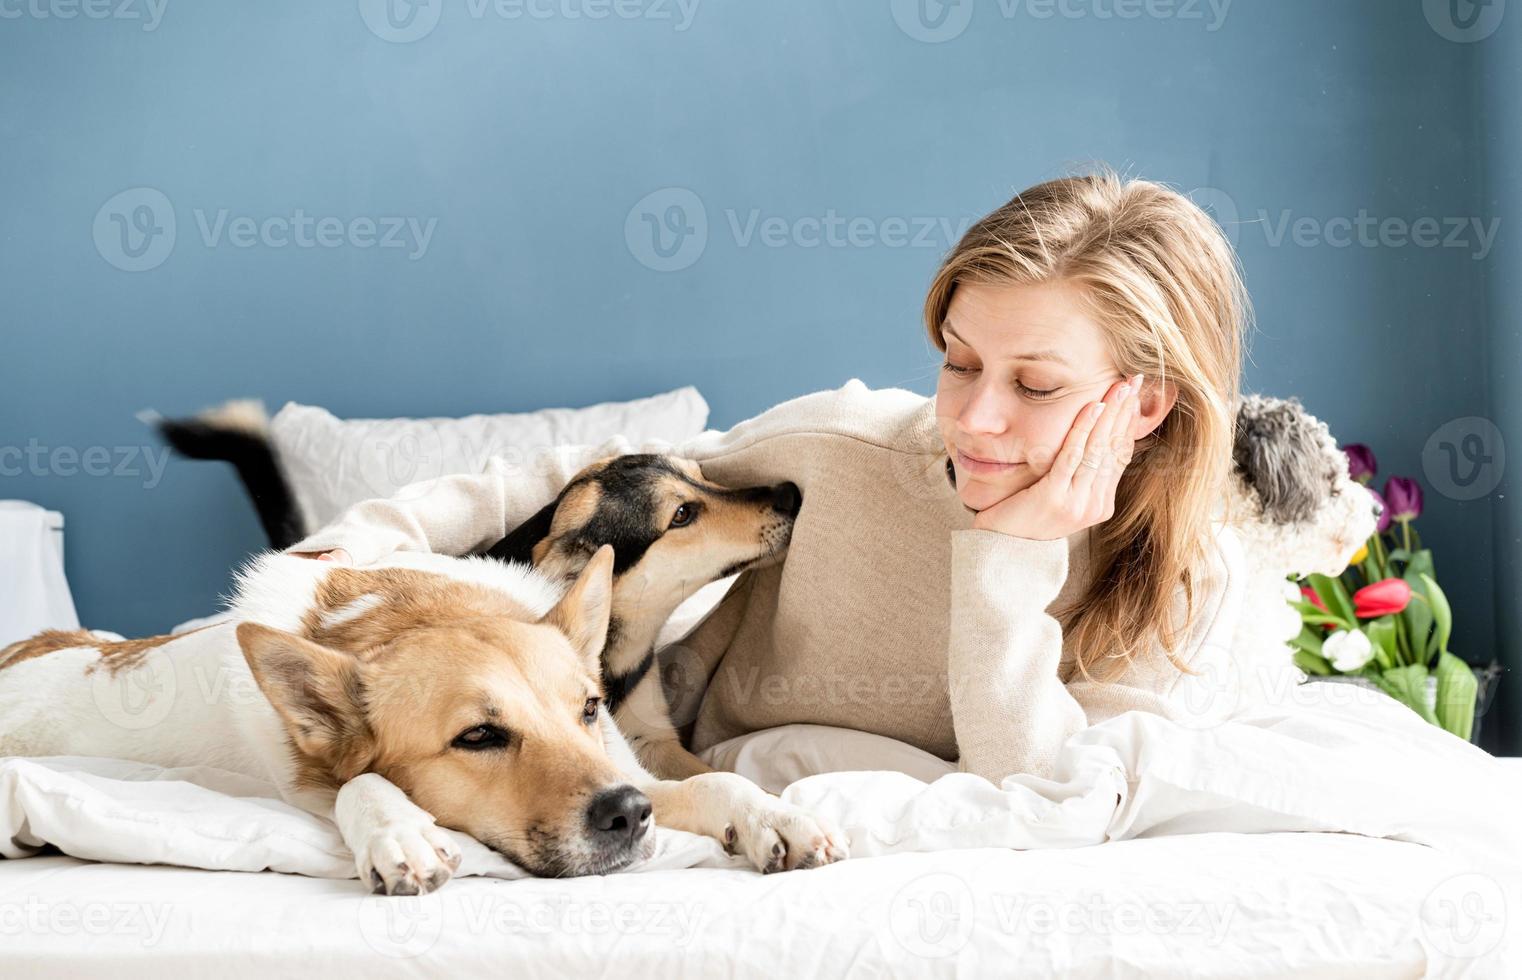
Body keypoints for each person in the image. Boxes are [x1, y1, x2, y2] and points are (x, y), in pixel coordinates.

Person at [289, 170, 1249, 784]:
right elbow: (590, 476)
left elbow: (1035, 793)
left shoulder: (1182, 583)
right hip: (713, 758)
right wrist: (374, 532)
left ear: (1146, 406)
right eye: (958, 363)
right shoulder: (844, 448)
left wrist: (1010, 558)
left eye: (1035, 385)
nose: (973, 418)